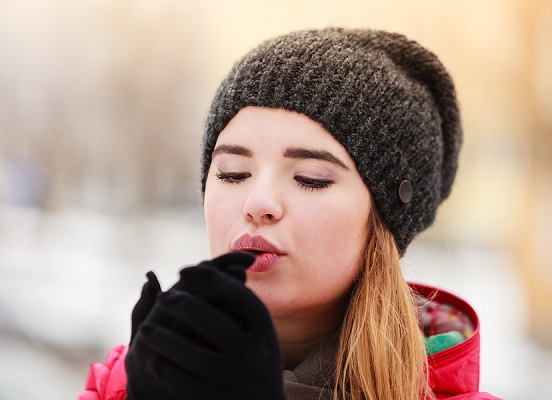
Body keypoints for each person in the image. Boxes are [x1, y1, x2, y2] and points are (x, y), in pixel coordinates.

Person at [79, 28, 500, 400]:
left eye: (311, 178)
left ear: (385, 220)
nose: (257, 203)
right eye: (233, 173)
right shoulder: (120, 385)